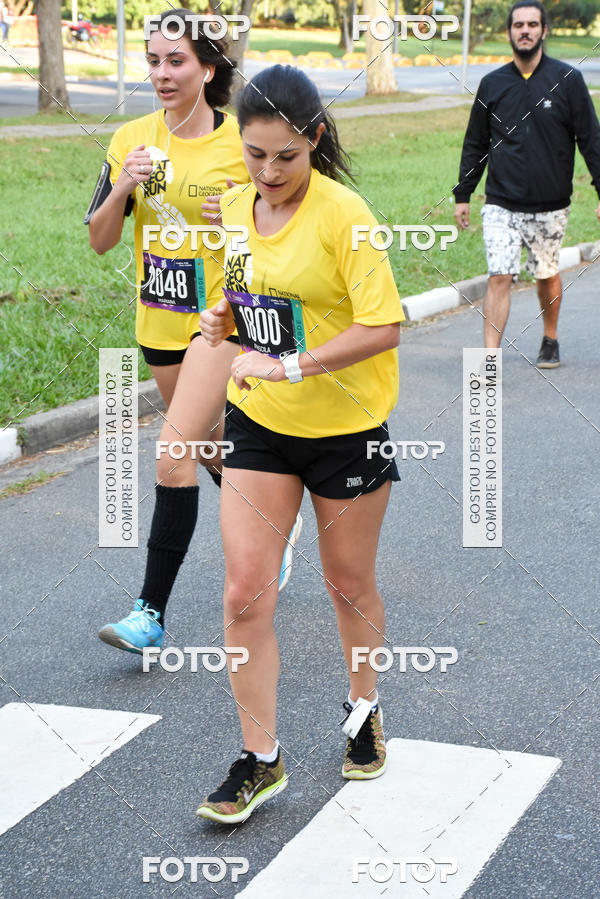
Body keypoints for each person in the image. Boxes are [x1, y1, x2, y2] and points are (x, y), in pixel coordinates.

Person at [194, 65, 404, 825]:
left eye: (285, 155)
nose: (268, 171)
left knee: (347, 584)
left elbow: (384, 325)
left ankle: (363, 710)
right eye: (254, 154)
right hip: (261, 423)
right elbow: (242, 289)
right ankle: (260, 756)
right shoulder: (235, 207)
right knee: (244, 590)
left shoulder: (345, 215)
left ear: (314, 139)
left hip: (347, 429)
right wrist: (221, 316)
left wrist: (288, 363)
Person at [88, 10, 301, 656]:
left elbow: (289, 223)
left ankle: (149, 613)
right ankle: (273, 525)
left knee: (172, 451)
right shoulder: (131, 139)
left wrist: (241, 210)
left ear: (207, 69)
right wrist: (123, 186)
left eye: (176, 60)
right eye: (153, 60)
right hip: (159, 318)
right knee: (209, 447)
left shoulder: (243, 142)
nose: (162, 73)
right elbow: (100, 239)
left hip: (221, 321)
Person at [453, 1, 600, 367]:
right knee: (499, 275)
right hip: (501, 201)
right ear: (509, 32)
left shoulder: (568, 80)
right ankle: (488, 361)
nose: (525, 30)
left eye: (532, 24)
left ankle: (550, 337)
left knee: (546, 275)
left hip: (550, 203)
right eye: (518, 25)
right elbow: (475, 143)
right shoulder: (492, 84)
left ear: (543, 31)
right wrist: (463, 193)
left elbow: (591, 139)